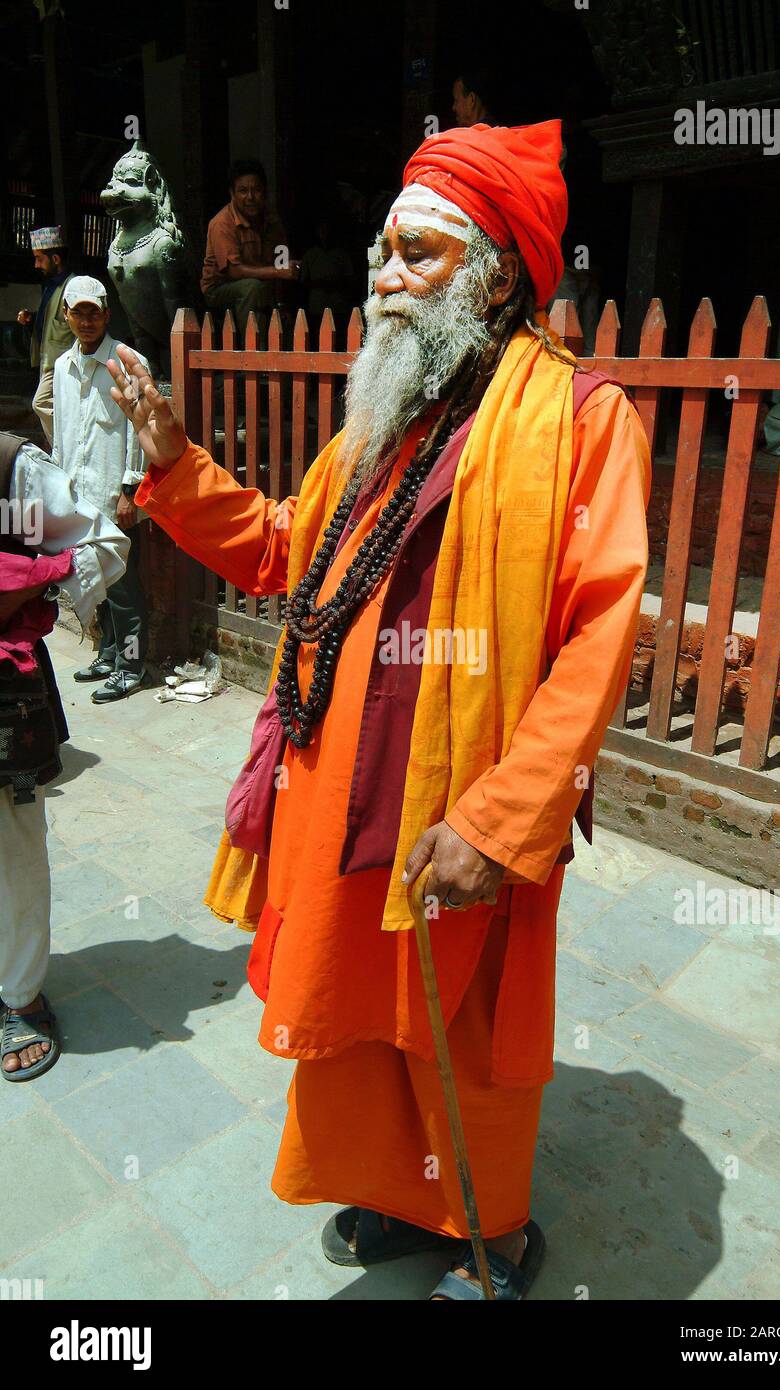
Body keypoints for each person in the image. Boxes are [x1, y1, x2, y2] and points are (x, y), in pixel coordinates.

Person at [109, 120, 650, 1300]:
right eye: (379, 253)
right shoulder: (383, 417)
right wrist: (176, 464)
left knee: (464, 1034)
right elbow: (288, 552)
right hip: (341, 784)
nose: (382, 276)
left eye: (414, 252)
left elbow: (595, 643)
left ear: (498, 271)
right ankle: (406, 1198)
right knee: (356, 1011)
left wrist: (502, 823)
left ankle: (491, 1231)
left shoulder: (583, 419)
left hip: (465, 807)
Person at [0, 431, 128, 1080]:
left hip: (2, 689)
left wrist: (30, 589)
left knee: (12, 843)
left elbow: (102, 542)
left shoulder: (9, 473)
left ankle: (19, 996)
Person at [52, 276, 150, 702]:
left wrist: (131, 490)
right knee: (97, 583)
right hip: (77, 493)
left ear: (107, 314)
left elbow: (139, 431)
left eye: (95, 312)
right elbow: (61, 433)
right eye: (79, 312)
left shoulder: (126, 361)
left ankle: (131, 666)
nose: (87, 320)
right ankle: (109, 655)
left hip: (114, 496)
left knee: (123, 589)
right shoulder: (61, 367)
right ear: (67, 316)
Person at [201, 159, 300, 327]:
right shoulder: (221, 223)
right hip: (219, 289)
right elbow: (233, 271)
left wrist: (281, 304)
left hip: (262, 287)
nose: (250, 197)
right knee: (251, 288)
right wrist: (277, 272)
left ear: (265, 192)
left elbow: (282, 265)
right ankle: (253, 346)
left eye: (256, 190)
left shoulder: (273, 220)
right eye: (243, 191)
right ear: (232, 194)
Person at [16, 226, 75, 447]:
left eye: (40, 259)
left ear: (56, 258)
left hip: (60, 360)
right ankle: (60, 450)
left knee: (40, 403)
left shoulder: (72, 286)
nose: (36, 265)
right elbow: (52, 320)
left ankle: (64, 447)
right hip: (47, 358)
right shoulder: (51, 285)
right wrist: (32, 318)